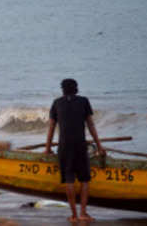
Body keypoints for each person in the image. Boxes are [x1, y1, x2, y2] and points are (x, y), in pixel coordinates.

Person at [45, 78, 106, 223]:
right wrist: (99, 146)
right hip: (80, 145)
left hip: (64, 146)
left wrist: (47, 148)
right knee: (85, 180)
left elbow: (52, 127)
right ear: (76, 88)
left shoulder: (56, 103)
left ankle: (73, 216)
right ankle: (83, 213)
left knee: (69, 179)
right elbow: (91, 125)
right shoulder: (84, 101)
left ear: (63, 90)